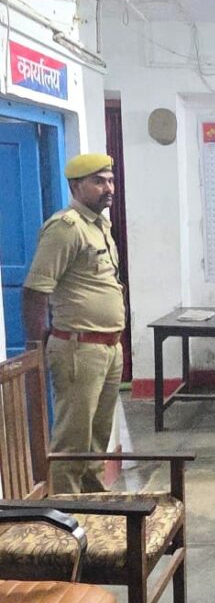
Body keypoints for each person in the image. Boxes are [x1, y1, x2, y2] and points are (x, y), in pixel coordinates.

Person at [22, 153, 125, 494]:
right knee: (73, 439)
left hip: (109, 348)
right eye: (99, 181)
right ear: (75, 186)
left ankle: (94, 504)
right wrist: (34, 347)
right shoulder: (65, 228)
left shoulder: (100, 226)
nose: (108, 188)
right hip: (79, 348)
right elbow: (35, 290)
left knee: (97, 437)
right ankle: (66, 512)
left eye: (110, 180)